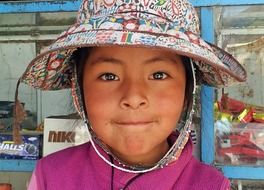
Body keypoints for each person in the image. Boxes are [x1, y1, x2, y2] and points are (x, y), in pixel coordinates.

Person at [20, 0, 247, 189]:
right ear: (79, 91)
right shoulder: (50, 177)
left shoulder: (211, 186)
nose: (133, 97)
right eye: (109, 76)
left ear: (188, 90)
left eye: (158, 75)